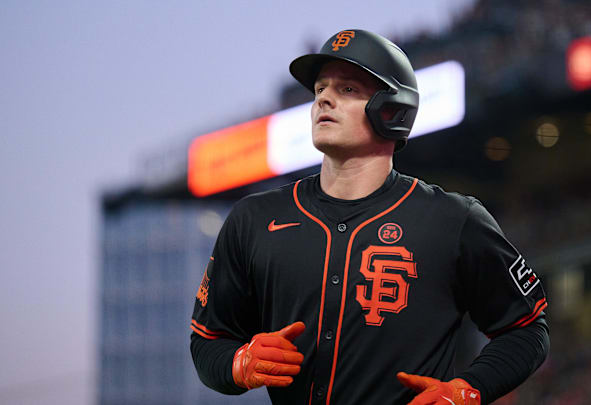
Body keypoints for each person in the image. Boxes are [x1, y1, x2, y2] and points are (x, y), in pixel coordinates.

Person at [190, 29, 549, 405]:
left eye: (346, 90)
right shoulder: (254, 218)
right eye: (320, 89)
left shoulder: (454, 219)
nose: (324, 98)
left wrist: (469, 389)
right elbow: (208, 340)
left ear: (391, 109)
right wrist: (238, 363)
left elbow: (527, 330)